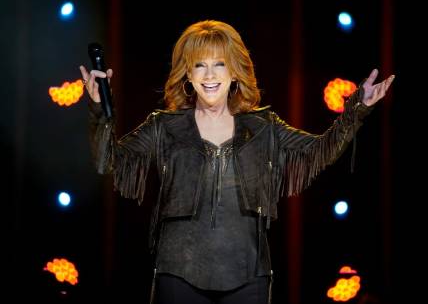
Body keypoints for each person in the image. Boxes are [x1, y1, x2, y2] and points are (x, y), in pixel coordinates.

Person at [79, 20, 394, 304]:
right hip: (179, 271)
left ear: (234, 72)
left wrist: (357, 109)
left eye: (220, 64)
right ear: (187, 74)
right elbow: (110, 161)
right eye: (200, 65)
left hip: (247, 274)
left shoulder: (264, 127)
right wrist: (99, 111)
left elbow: (320, 150)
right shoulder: (164, 126)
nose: (211, 75)